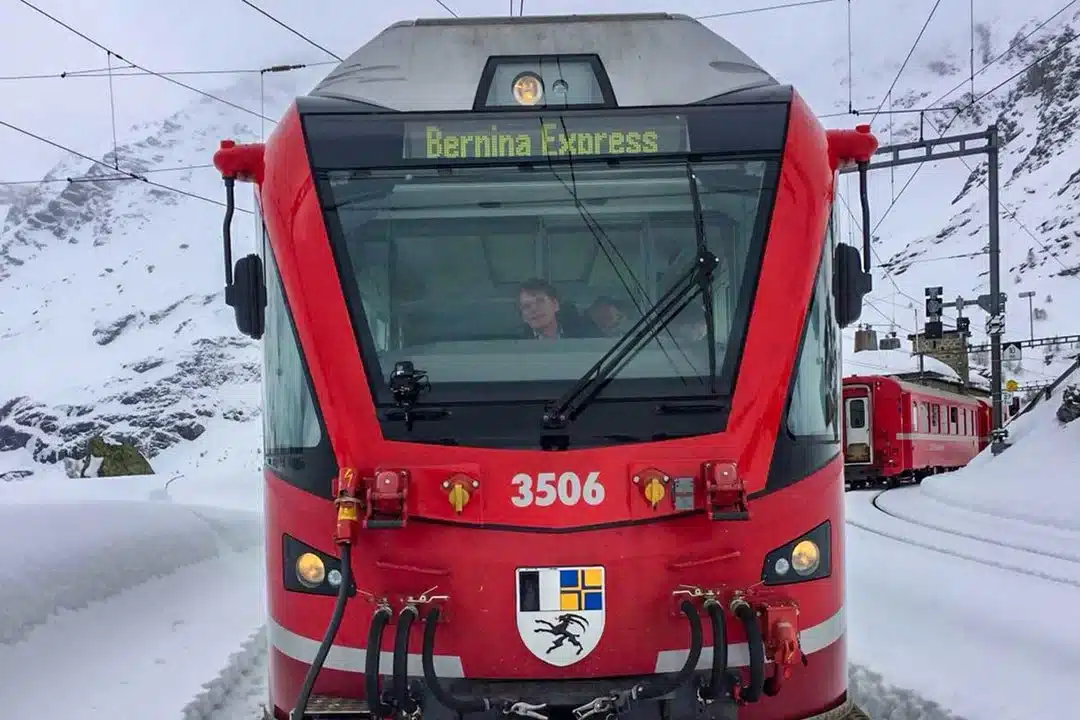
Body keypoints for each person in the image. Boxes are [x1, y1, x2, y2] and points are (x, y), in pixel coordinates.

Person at [517, 278, 597, 339]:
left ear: (555, 305)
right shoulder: (515, 346)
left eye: (540, 301)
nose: (534, 309)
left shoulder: (584, 337)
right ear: (523, 316)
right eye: (526, 306)